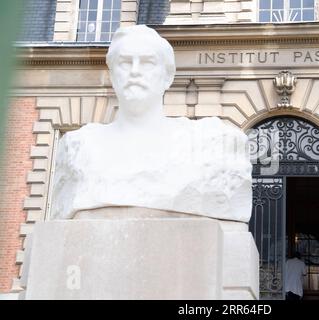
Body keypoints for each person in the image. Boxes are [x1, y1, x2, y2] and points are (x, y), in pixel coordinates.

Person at [50, 25, 252, 222]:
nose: (135, 71)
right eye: (125, 62)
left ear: (168, 77)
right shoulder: (80, 145)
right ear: (112, 76)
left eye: (147, 62)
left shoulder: (209, 142)